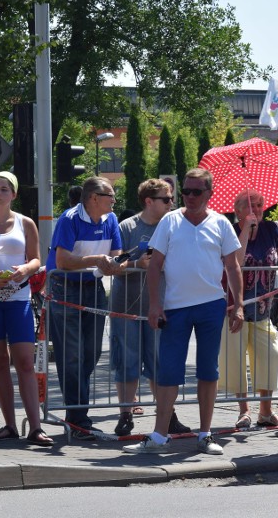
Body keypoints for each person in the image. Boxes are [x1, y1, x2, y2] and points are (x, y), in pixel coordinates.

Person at [124, 168, 244, 455]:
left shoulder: (221, 223)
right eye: (185, 192)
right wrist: (155, 304)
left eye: (196, 192)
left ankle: (205, 434)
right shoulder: (170, 221)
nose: (189, 197)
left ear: (209, 193)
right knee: (168, 372)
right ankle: (159, 435)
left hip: (211, 306)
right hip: (175, 307)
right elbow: (154, 265)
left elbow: (233, 266)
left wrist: (238, 304)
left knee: (208, 370)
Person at [0, 171, 53, 446]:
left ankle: (35, 427)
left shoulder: (25, 222)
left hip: (18, 299)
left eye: (4, 189)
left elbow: (36, 259)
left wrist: (24, 269)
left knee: (24, 362)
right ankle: (9, 424)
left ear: (14, 194)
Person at [110, 179, 191, 437]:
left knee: (160, 363)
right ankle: (125, 414)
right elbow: (115, 264)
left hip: (161, 307)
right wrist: (138, 264)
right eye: (166, 199)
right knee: (127, 361)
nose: (172, 204)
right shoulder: (128, 226)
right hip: (127, 306)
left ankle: (168, 417)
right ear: (149, 201)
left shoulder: (174, 226)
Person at [47, 176, 125, 440]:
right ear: (94, 198)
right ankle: (79, 419)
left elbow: (116, 253)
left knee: (91, 353)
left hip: (93, 289)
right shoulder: (69, 219)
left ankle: (76, 413)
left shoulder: (110, 219)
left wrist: (120, 264)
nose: (114, 201)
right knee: (71, 357)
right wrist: (97, 260)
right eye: (110, 196)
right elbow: (62, 259)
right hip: (65, 288)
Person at [219, 189, 278, 429]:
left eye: (259, 205)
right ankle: (244, 411)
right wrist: (245, 231)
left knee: (271, 356)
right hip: (234, 308)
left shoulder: (272, 229)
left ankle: (266, 412)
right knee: (237, 360)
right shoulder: (229, 230)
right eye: (250, 205)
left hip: (263, 308)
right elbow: (236, 262)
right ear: (237, 209)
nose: (256, 210)